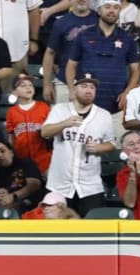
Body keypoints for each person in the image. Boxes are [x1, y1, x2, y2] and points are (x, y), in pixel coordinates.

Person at [40, 72, 116, 217]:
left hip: (89, 185)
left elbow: (112, 144)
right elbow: (45, 132)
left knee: (91, 232)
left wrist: (99, 147)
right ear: (74, 90)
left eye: (92, 87)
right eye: (84, 86)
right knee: (58, 232)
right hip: (59, 185)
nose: (89, 90)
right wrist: (65, 123)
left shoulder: (103, 115)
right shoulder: (60, 110)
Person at [66, 0, 139, 137]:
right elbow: (71, 65)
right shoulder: (83, 35)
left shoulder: (127, 38)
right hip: (86, 106)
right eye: (108, 7)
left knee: (117, 149)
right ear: (99, 11)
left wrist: (128, 92)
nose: (112, 11)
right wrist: (71, 90)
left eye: (116, 8)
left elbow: (136, 70)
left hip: (116, 108)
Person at [42, 0, 99, 105]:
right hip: (65, 83)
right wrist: (47, 84)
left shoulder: (100, 19)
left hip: (94, 83)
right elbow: (50, 53)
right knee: (62, 119)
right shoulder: (61, 23)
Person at [0, 139, 43, 213]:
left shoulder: (25, 163)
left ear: (11, 152)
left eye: (2, 151)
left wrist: (13, 196)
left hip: (25, 206)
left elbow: (34, 184)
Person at [6, 73, 52, 176]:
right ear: (14, 92)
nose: (28, 87)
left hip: (44, 159)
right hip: (22, 160)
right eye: (22, 86)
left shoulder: (44, 107)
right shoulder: (12, 112)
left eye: (30, 85)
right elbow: (11, 137)